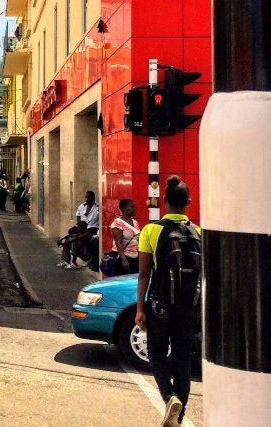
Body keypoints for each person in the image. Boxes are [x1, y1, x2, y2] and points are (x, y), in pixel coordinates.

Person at [136, 176, 202, 427]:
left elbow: (144, 274)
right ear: (189, 202)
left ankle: (169, 397)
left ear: (164, 202)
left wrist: (140, 309)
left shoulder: (151, 230)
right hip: (189, 308)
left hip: (160, 305)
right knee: (183, 359)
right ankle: (179, 416)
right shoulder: (198, 232)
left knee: (156, 353)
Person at [110, 198, 141, 274]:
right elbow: (118, 243)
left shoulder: (135, 222)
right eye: (132, 207)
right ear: (124, 208)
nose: (134, 209)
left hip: (135, 258)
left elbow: (138, 240)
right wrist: (124, 260)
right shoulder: (118, 223)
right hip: (124, 258)